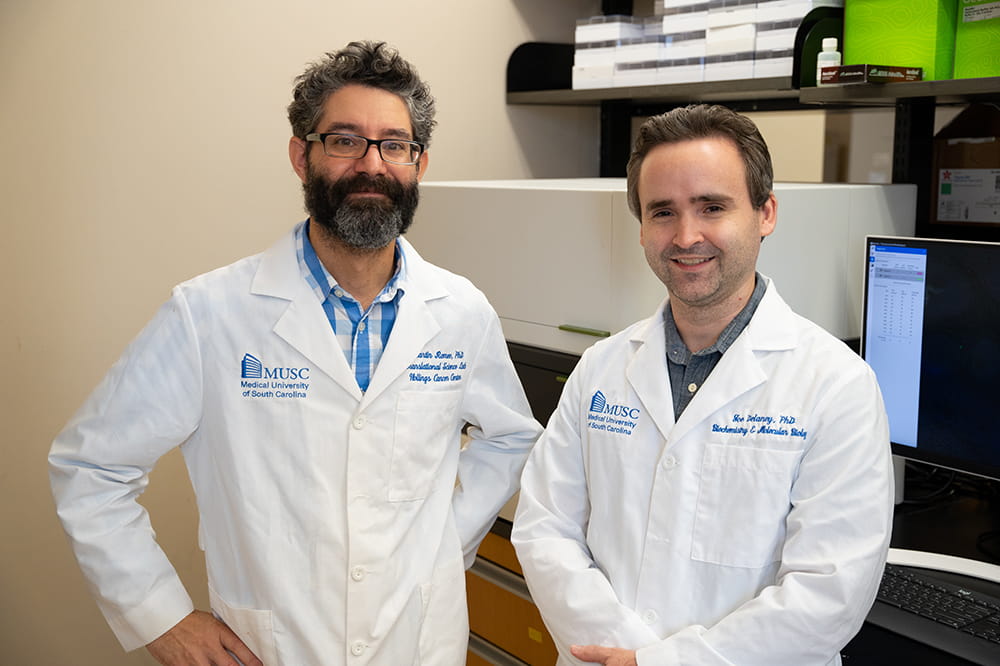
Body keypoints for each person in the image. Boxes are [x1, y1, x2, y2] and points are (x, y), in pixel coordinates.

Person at [49, 40, 542, 666]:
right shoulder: (209, 313)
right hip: (272, 647)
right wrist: (161, 618)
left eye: (395, 145)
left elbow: (510, 438)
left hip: (417, 643)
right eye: (345, 140)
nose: (372, 164)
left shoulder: (462, 312)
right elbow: (90, 468)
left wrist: (444, 543)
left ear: (418, 163)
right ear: (300, 156)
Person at [511, 104, 893, 666]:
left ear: (765, 213)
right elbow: (545, 530)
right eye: (663, 212)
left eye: (712, 207)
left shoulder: (837, 385)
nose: (686, 236)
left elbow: (829, 592)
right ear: (642, 228)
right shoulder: (600, 369)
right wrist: (629, 657)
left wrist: (659, 662)